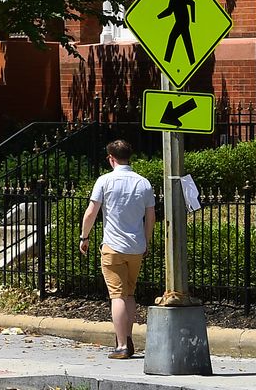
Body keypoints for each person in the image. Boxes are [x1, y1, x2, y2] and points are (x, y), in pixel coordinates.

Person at [79, 139, 156, 359]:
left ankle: (122, 344)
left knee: (117, 296)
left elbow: (91, 212)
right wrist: (146, 241)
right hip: (136, 247)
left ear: (111, 159)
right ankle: (128, 337)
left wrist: (84, 237)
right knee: (129, 293)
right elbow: (150, 216)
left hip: (113, 246)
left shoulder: (105, 181)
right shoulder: (143, 183)